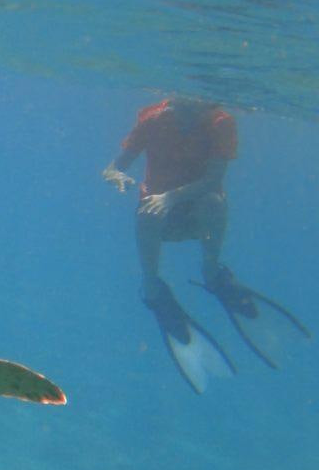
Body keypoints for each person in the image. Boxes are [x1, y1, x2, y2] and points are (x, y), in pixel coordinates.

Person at [102, 96, 309, 393]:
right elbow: (112, 167)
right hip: (162, 220)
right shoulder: (153, 120)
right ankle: (152, 287)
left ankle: (211, 272)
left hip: (198, 216)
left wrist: (170, 197)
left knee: (213, 202)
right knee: (146, 211)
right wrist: (116, 176)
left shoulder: (220, 123)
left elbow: (213, 181)